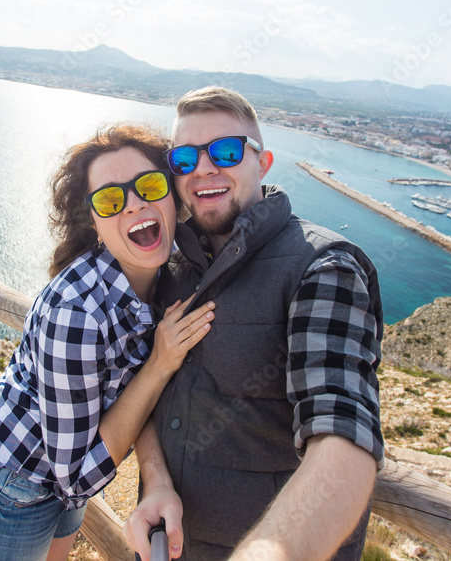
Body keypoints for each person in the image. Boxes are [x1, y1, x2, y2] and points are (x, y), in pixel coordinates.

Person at [123, 87, 384, 561]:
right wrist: (156, 478)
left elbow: (342, 433)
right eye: (184, 159)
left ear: (262, 164)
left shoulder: (322, 268)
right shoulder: (174, 267)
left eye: (225, 151)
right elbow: (145, 387)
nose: (203, 168)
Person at [0, 123, 216, 561]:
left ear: (171, 194)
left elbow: (120, 399)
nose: (135, 203)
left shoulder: (162, 278)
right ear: (93, 221)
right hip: (7, 487)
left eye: (149, 184)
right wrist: (160, 364)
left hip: (60, 489)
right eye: (110, 199)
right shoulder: (76, 311)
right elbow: (78, 476)